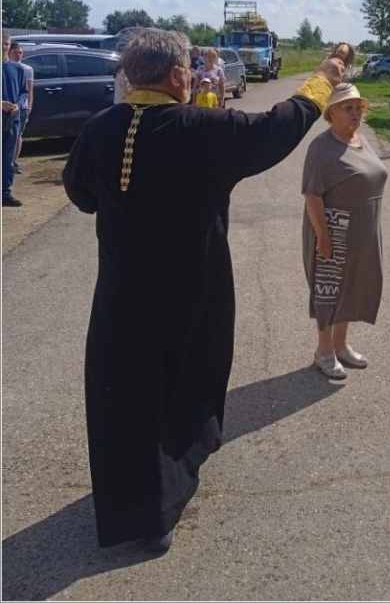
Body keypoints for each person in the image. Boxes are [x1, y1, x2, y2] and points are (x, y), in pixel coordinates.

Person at [61, 28, 344, 554]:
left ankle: (126, 503)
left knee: (124, 393)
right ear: (176, 76)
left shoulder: (100, 127)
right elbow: (281, 124)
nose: (192, 78)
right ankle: (158, 509)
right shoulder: (206, 129)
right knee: (181, 385)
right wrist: (325, 76)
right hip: (193, 288)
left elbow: (81, 194)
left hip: (121, 291)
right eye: (189, 72)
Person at [301, 83, 388, 379]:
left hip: (363, 230)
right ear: (332, 113)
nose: (355, 113)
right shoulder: (322, 147)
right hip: (334, 230)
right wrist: (323, 238)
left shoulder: (360, 139)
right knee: (329, 292)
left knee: (352, 286)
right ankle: (324, 351)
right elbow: (312, 195)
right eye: (348, 108)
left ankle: (340, 345)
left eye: (358, 107)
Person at [2, 31, 28, 207]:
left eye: (7, 44)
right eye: (1, 44)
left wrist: (18, 104)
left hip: (12, 119)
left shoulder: (17, 68)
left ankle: (5, 192)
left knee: (7, 158)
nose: (4, 47)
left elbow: (24, 92)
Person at [8, 42, 33, 174]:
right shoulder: (5, 67)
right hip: (7, 106)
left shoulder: (26, 69)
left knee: (17, 134)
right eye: (15, 52)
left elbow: (29, 90)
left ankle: (13, 163)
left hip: (21, 107)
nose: (18, 55)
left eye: (20, 53)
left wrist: (29, 107)